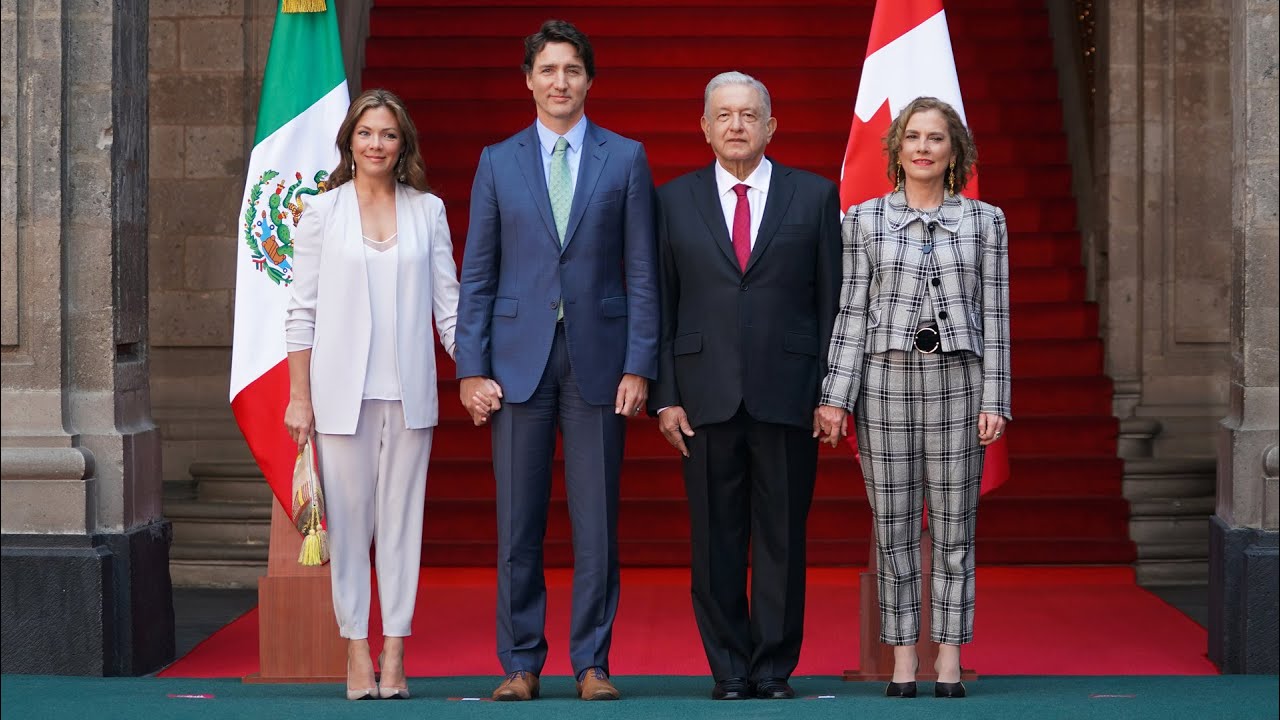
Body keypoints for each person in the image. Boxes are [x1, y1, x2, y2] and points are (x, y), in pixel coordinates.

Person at [454, 19, 658, 702]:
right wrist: (470, 368)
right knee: (519, 520)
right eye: (548, 70)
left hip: (600, 358)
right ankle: (520, 662)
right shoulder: (497, 161)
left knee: (596, 523)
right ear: (529, 81)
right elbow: (477, 275)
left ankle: (593, 662)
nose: (560, 82)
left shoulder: (624, 158)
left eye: (572, 69)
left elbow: (642, 272)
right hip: (516, 364)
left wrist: (640, 364)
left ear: (589, 80)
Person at [649, 71, 841, 701]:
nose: (736, 125)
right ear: (704, 128)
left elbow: (830, 301)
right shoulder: (672, 200)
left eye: (749, 114)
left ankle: (773, 668)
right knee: (715, 539)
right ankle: (729, 669)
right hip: (703, 396)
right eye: (724, 115)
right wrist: (665, 395)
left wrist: (829, 391)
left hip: (789, 394)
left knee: (784, 537)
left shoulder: (813, 197)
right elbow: (661, 306)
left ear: (770, 126)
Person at [815, 96, 1011, 699]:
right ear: (897, 149)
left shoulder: (986, 221)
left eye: (937, 139)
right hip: (885, 386)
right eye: (914, 137)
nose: (924, 147)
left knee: (956, 527)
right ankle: (902, 657)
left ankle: (948, 657)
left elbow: (996, 316)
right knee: (893, 528)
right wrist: (835, 397)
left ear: (956, 153)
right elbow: (849, 315)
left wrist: (995, 397)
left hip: (959, 385)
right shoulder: (864, 221)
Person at [283, 88, 460, 701]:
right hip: (338, 399)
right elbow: (300, 314)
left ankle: (395, 652)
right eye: (366, 134)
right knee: (352, 527)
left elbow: (451, 311)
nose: (376, 144)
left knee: (402, 527)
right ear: (349, 143)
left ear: (402, 142)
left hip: (411, 397)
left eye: (387, 134)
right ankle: (356, 648)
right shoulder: (320, 213)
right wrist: (298, 398)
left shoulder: (428, 211)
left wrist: (483, 369)